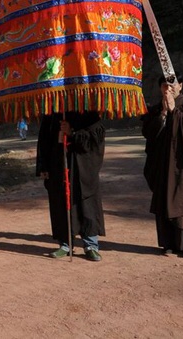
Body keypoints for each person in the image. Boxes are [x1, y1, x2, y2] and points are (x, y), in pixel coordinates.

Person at [142, 75, 183, 259]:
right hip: (164, 165)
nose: (168, 88)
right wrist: (164, 114)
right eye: (164, 85)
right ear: (160, 88)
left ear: (180, 85)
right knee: (165, 200)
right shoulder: (156, 109)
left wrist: (175, 112)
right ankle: (169, 242)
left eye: (172, 84)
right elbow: (148, 133)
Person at [36, 112, 106, 261]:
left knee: (86, 204)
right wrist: (43, 166)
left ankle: (91, 245)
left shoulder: (89, 112)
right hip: (58, 166)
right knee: (61, 203)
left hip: (84, 167)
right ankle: (65, 244)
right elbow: (44, 139)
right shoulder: (53, 112)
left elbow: (96, 141)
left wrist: (72, 133)